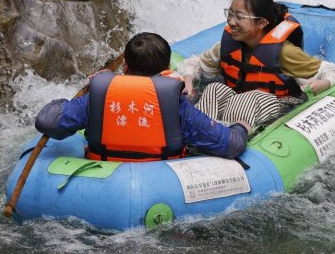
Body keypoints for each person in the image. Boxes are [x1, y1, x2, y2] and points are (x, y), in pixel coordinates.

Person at [34, 32, 248, 161]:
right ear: (166, 69)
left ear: (125, 66)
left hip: (105, 168)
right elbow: (230, 145)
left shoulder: (100, 95)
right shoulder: (174, 102)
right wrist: (240, 127)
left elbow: (47, 121)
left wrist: (82, 95)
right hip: (160, 173)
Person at [178, 0, 335, 131]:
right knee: (214, 88)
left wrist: (325, 83)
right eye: (230, 14)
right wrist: (188, 79)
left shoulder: (283, 53)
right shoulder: (227, 46)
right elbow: (196, 63)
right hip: (237, 100)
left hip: (275, 104)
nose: (231, 21)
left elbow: (331, 70)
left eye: (239, 17)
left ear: (262, 23)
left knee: (249, 99)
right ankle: (198, 131)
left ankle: (231, 136)